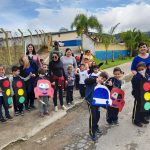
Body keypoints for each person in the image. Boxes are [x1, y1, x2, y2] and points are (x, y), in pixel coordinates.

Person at [85, 72, 109, 141]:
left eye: (104, 80)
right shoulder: (92, 79)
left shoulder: (102, 84)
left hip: (97, 102)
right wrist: (95, 80)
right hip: (91, 101)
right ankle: (92, 133)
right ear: (98, 76)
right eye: (101, 78)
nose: (102, 80)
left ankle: (96, 127)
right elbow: (86, 81)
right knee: (93, 116)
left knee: (97, 115)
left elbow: (104, 92)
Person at [131, 62, 149, 127]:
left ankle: (142, 118)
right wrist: (142, 77)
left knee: (144, 107)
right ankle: (136, 120)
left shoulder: (147, 75)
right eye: (139, 70)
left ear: (145, 68)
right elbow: (136, 84)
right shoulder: (136, 77)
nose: (141, 71)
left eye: (142, 69)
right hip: (138, 95)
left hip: (146, 95)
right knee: (138, 108)